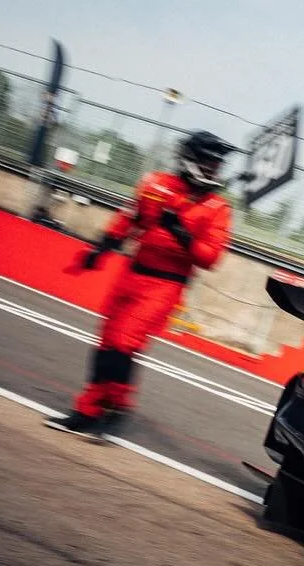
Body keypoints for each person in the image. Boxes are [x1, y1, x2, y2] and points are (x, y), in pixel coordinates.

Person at [46, 131, 236, 438]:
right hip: (132, 273)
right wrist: (101, 249)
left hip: (166, 284)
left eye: (217, 165)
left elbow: (210, 258)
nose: (214, 169)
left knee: (124, 342)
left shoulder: (218, 208)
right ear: (190, 159)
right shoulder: (155, 184)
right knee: (108, 342)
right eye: (209, 162)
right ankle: (88, 411)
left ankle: (115, 410)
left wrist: (181, 232)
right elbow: (130, 219)